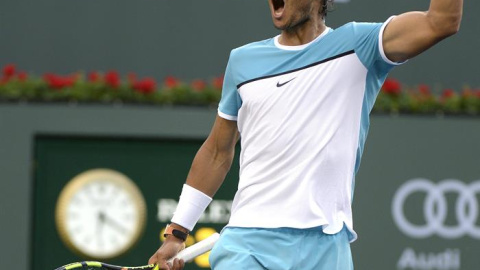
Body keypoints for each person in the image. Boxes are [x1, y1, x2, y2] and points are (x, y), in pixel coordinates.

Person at [149, 0, 463, 269]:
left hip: (326, 246)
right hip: (248, 243)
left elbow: (442, 22)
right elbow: (217, 152)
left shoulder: (360, 45)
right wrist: (177, 232)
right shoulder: (242, 61)